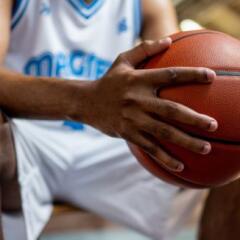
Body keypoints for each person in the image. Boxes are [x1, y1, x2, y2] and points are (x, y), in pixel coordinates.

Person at [0, 0, 218, 239]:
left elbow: (177, 83)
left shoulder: (148, 4)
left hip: (114, 141)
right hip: (28, 141)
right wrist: (86, 101)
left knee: (233, 142)